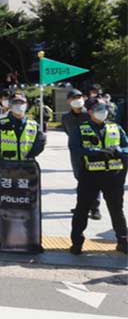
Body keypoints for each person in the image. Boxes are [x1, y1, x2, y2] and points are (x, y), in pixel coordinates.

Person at [68, 97, 128, 255]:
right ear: (90, 112)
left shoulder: (115, 128)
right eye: (98, 110)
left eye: (104, 109)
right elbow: (75, 148)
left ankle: (123, 241)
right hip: (90, 175)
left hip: (113, 175)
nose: (103, 113)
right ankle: (77, 242)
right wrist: (96, 153)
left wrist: (119, 152)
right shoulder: (81, 129)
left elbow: (126, 147)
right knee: (82, 209)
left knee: (116, 209)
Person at [61, 89, 101, 219]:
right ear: (68, 101)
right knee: (80, 178)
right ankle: (82, 205)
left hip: (92, 151)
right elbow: (68, 131)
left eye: (79, 97)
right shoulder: (66, 117)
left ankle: (95, 208)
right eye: (74, 98)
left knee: (94, 179)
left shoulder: (90, 114)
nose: (77, 100)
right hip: (76, 153)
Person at [0, 93, 46, 163]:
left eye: (22, 103)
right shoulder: (1, 124)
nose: (19, 105)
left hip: (27, 167)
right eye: (15, 103)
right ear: (10, 105)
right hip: (7, 167)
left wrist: (30, 156)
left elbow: (40, 143)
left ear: (26, 105)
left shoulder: (34, 125)